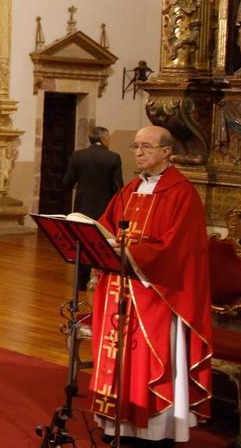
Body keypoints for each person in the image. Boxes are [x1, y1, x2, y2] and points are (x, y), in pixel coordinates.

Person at [88, 126, 211, 443]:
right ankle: (118, 424)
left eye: (146, 147)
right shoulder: (129, 190)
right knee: (119, 358)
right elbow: (106, 225)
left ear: (167, 152)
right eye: (135, 146)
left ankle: (153, 429)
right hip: (121, 285)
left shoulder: (182, 194)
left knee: (147, 359)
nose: (138, 152)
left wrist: (132, 252)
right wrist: (96, 239)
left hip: (156, 291)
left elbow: (179, 248)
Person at [61, 125, 123, 290]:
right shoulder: (113, 158)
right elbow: (118, 187)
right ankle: (100, 281)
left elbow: (67, 182)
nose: (109, 141)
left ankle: (81, 283)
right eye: (108, 138)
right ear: (103, 139)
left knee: (83, 244)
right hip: (105, 209)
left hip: (83, 209)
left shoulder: (78, 156)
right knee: (104, 245)